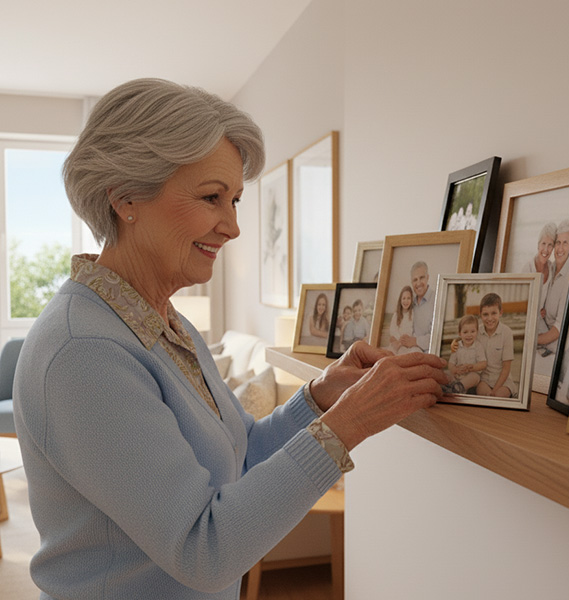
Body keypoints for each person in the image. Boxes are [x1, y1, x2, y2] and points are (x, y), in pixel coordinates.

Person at [13, 78, 449, 600]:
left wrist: (320, 399)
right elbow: (205, 549)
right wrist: (348, 424)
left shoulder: (167, 325)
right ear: (126, 198)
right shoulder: (83, 352)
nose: (234, 226)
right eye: (211, 197)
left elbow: (238, 459)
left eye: (236, 200)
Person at [538, 219, 569, 358]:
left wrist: (533, 340)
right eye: (557, 243)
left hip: (556, 340)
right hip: (544, 329)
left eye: (565, 243)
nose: (560, 249)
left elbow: (558, 329)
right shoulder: (550, 267)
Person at [475, 293, 517, 398]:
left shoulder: (507, 332)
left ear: (500, 312)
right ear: (480, 314)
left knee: (499, 396)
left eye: (494, 313)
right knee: (484, 394)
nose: (490, 318)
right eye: (485, 314)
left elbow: (506, 368)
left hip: (503, 381)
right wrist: (455, 345)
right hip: (484, 380)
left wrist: (495, 390)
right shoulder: (477, 332)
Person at [522, 221, 557, 329]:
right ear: (538, 245)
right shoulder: (528, 268)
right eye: (543, 244)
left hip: (541, 321)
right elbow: (522, 303)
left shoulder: (551, 268)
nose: (546, 250)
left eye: (550, 245)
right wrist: (536, 313)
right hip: (526, 320)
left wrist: (545, 310)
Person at [443, 314, 487, 395]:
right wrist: (455, 370)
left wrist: (472, 367)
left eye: (472, 331)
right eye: (465, 332)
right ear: (460, 333)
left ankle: (458, 388)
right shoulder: (457, 346)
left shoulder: (478, 346)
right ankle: (454, 387)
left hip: (470, 375)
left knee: (475, 376)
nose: (469, 335)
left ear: (477, 332)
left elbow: (483, 364)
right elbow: (451, 363)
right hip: (457, 375)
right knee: (445, 373)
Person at [397, 261, 435, 353]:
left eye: (421, 278)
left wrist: (415, 341)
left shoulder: (436, 300)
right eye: (415, 280)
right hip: (409, 350)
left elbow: (437, 336)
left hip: (427, 354)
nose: (418, 283)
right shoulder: (410, 302)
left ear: (427, 277)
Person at [389, 285, 422, 355]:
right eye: (404, 298)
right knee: (402, 353)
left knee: (418, 352)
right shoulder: (396, 315)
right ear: (400, 300)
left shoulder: (413, 314)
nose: (406, 301)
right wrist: (400, 341)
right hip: (398, 343)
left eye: (408, 298)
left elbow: (415, 330)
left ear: (411, 299)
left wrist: (410, 340)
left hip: (409, 343)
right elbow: (393, 330)